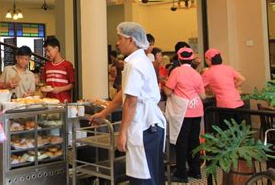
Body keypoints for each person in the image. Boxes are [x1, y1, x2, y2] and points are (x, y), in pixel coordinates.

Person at [90, 22, 166, 185]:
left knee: (144, 178)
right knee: (152, 175)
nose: (117, 43)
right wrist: (104, 112)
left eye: (120, 38)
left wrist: (122, 133)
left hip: (145, 127)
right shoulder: (140, 61)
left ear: (131, 40)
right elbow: (123, 93)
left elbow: (131, 101)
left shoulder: (135, 64)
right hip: (152, 126)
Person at [163, 47, 205, 182]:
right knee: (194, 141)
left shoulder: (176, 71)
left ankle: (181, 174)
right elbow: (203, 95)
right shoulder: (196, 74)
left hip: (183, 111)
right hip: (197, 110)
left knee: (182, 142)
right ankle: (195, 171)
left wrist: (164, 84)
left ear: (179, 59)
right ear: (192, 59)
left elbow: (168, 92)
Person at [202, 48, 246, 126]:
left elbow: (199, 87)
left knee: (227, 132)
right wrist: (233, 87)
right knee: (239, 132)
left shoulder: (208, 73)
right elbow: (242, 79)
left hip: (225, 105)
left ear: (208, 59)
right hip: (238, 103)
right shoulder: (228, 68)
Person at [41, 36, 74, 102]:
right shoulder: (47, 65)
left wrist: (59, 89)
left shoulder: (67, 65)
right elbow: (44, 83)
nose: (47, 54)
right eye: (46, 51)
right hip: (49, 102)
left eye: (48, 50)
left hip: (63, 102)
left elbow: (72, 84)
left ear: (56, 48)